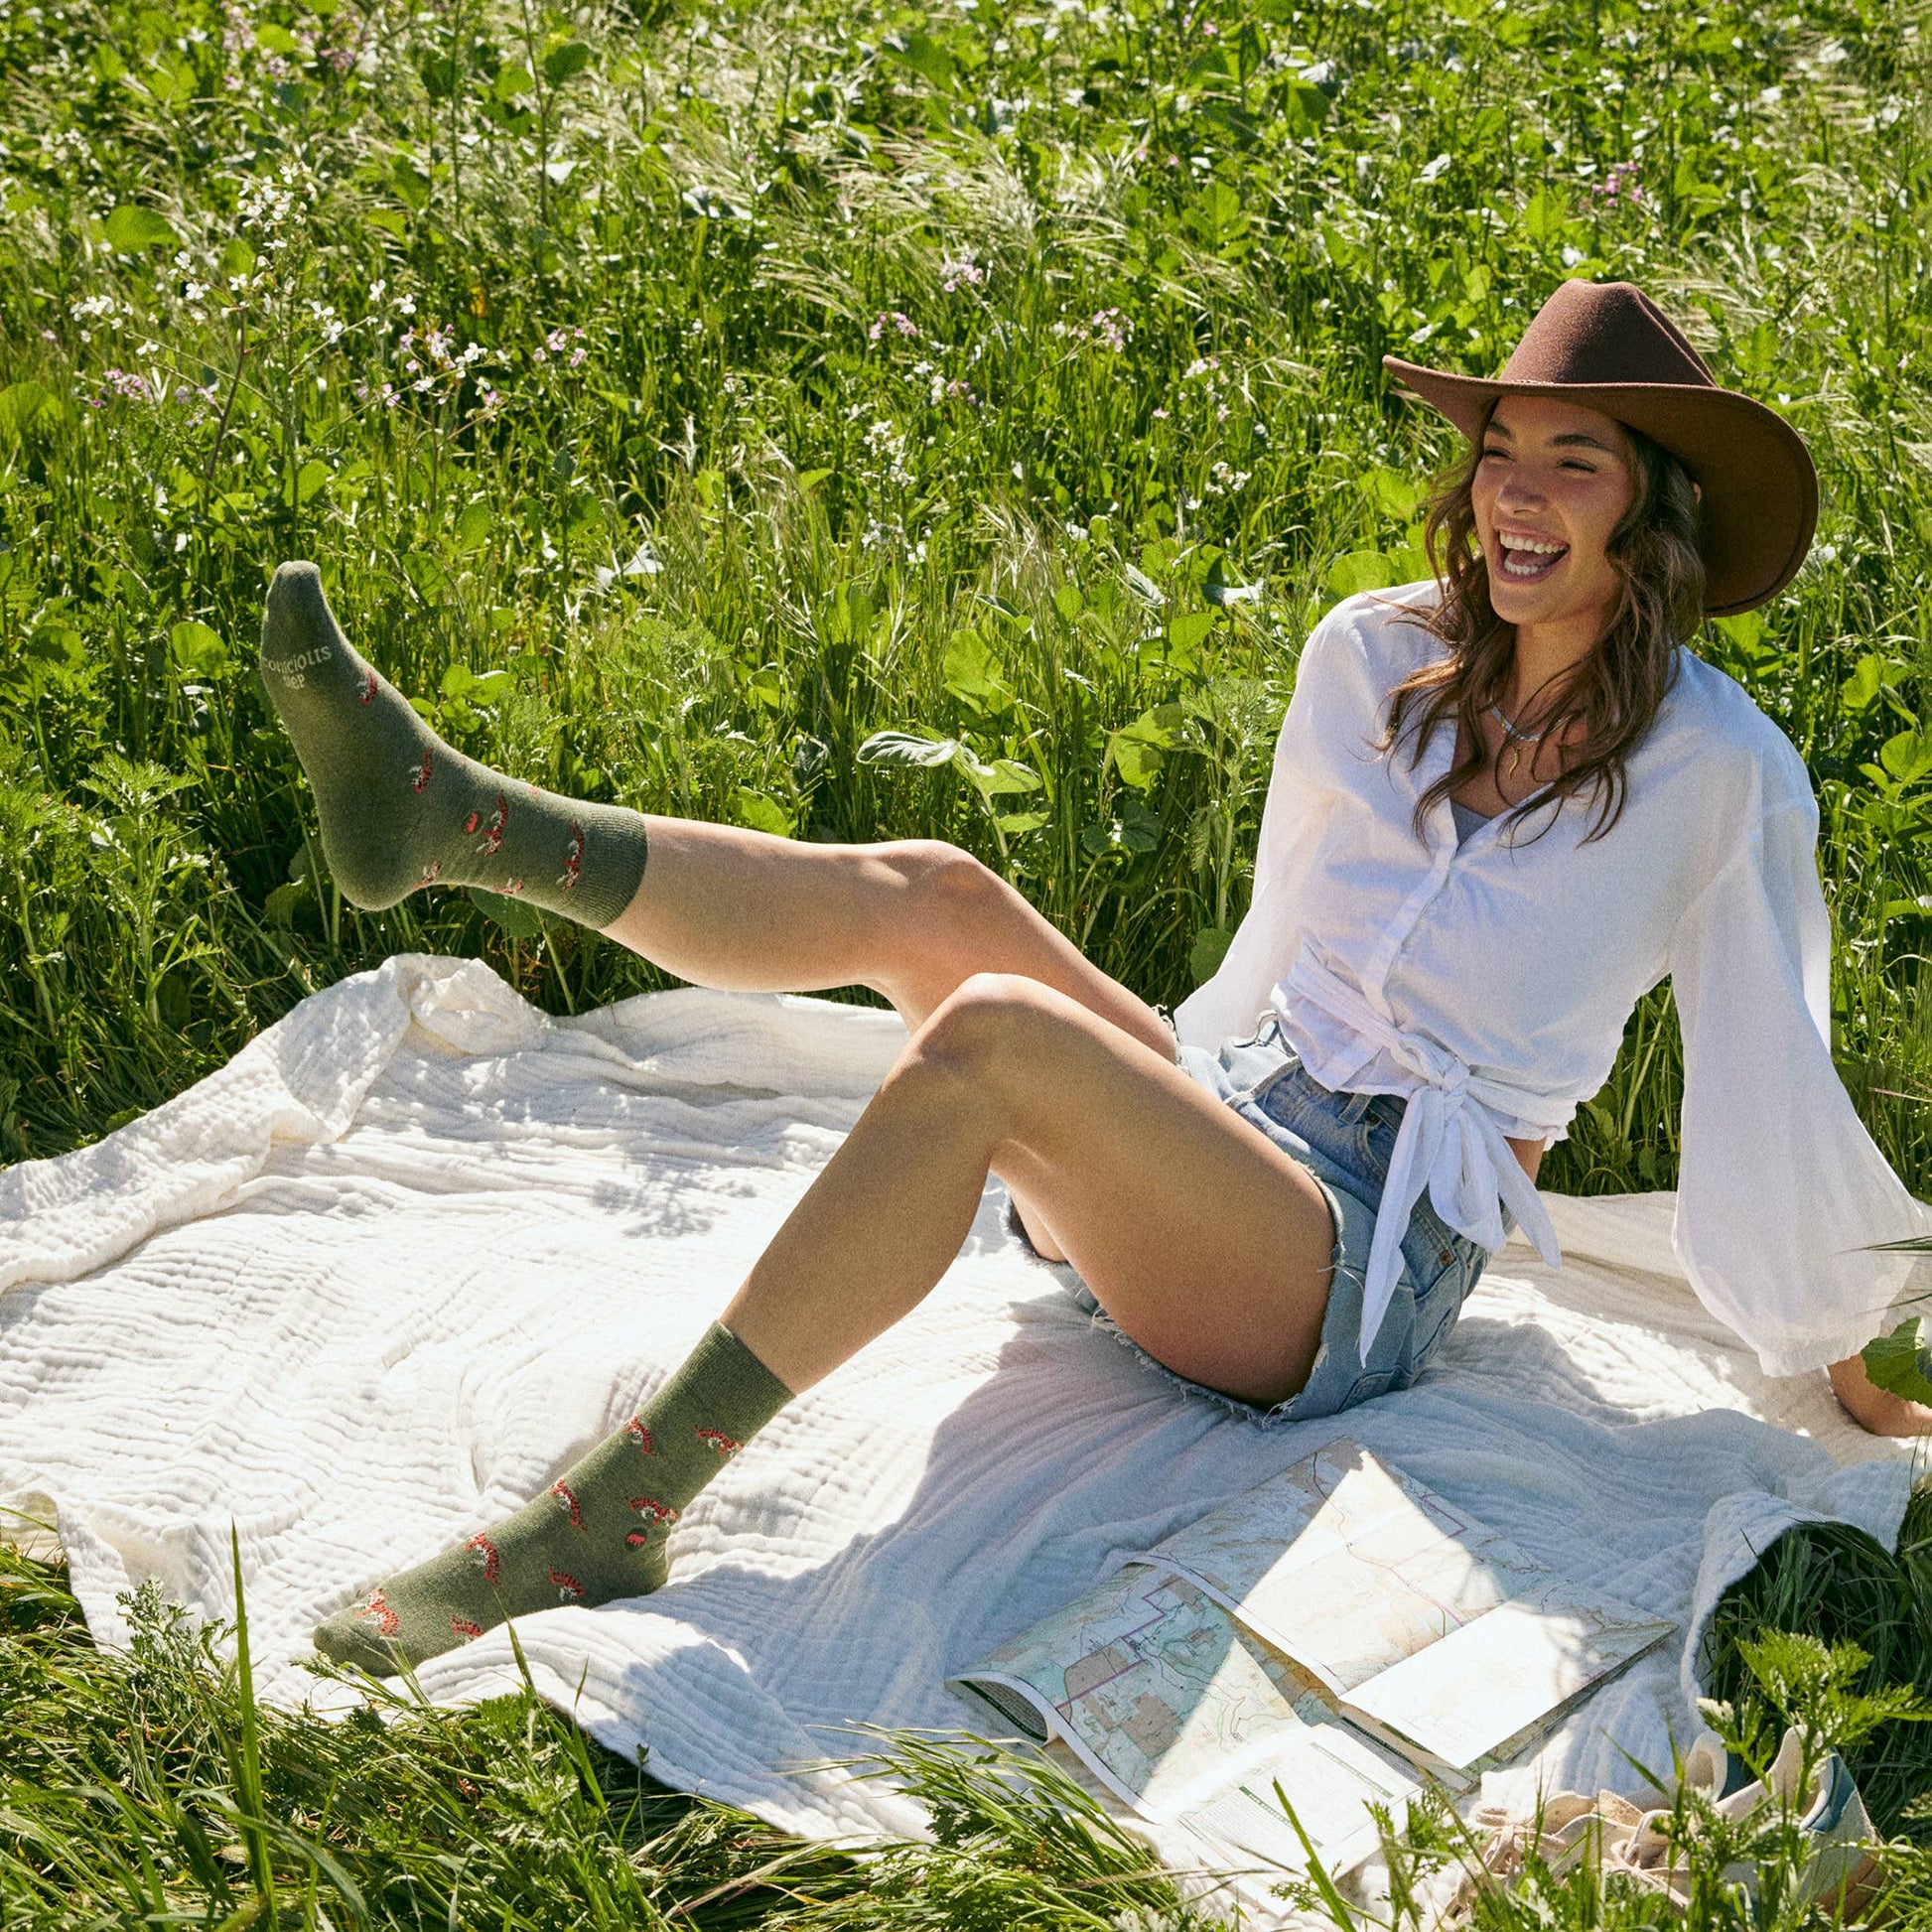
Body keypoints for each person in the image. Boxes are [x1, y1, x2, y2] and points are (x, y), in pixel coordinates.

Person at [258, 278, 1929, 1676]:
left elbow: (1769, 1067)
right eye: (1498, 451)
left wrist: (1856, 1353)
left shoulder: (1719, 771)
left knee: (995, 1037)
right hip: (1237, 1122)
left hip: (1358, 1265)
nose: (1514, 495)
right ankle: (459, 819)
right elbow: (1274, 942)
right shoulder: (1371, 653)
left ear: (1653, 508)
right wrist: (1148, 1110)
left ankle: (608, 1514)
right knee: (936, 896)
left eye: (1572, 461)